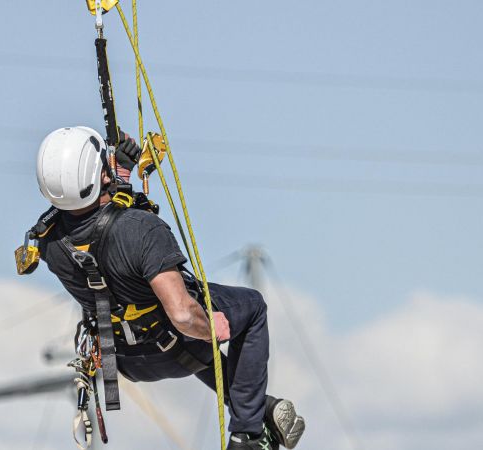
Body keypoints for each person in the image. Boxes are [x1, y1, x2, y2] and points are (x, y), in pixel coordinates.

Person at [28, 126, 305, 450]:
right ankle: (248, 434)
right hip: (177, 341)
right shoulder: (142, 230)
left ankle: (260, 407)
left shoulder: (49, 244)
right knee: (250, 307)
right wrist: (208, 327)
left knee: (181, 332)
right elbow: (182, 314)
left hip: (126, 358)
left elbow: (101, 237)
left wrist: (119, 174)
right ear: (101, 175)